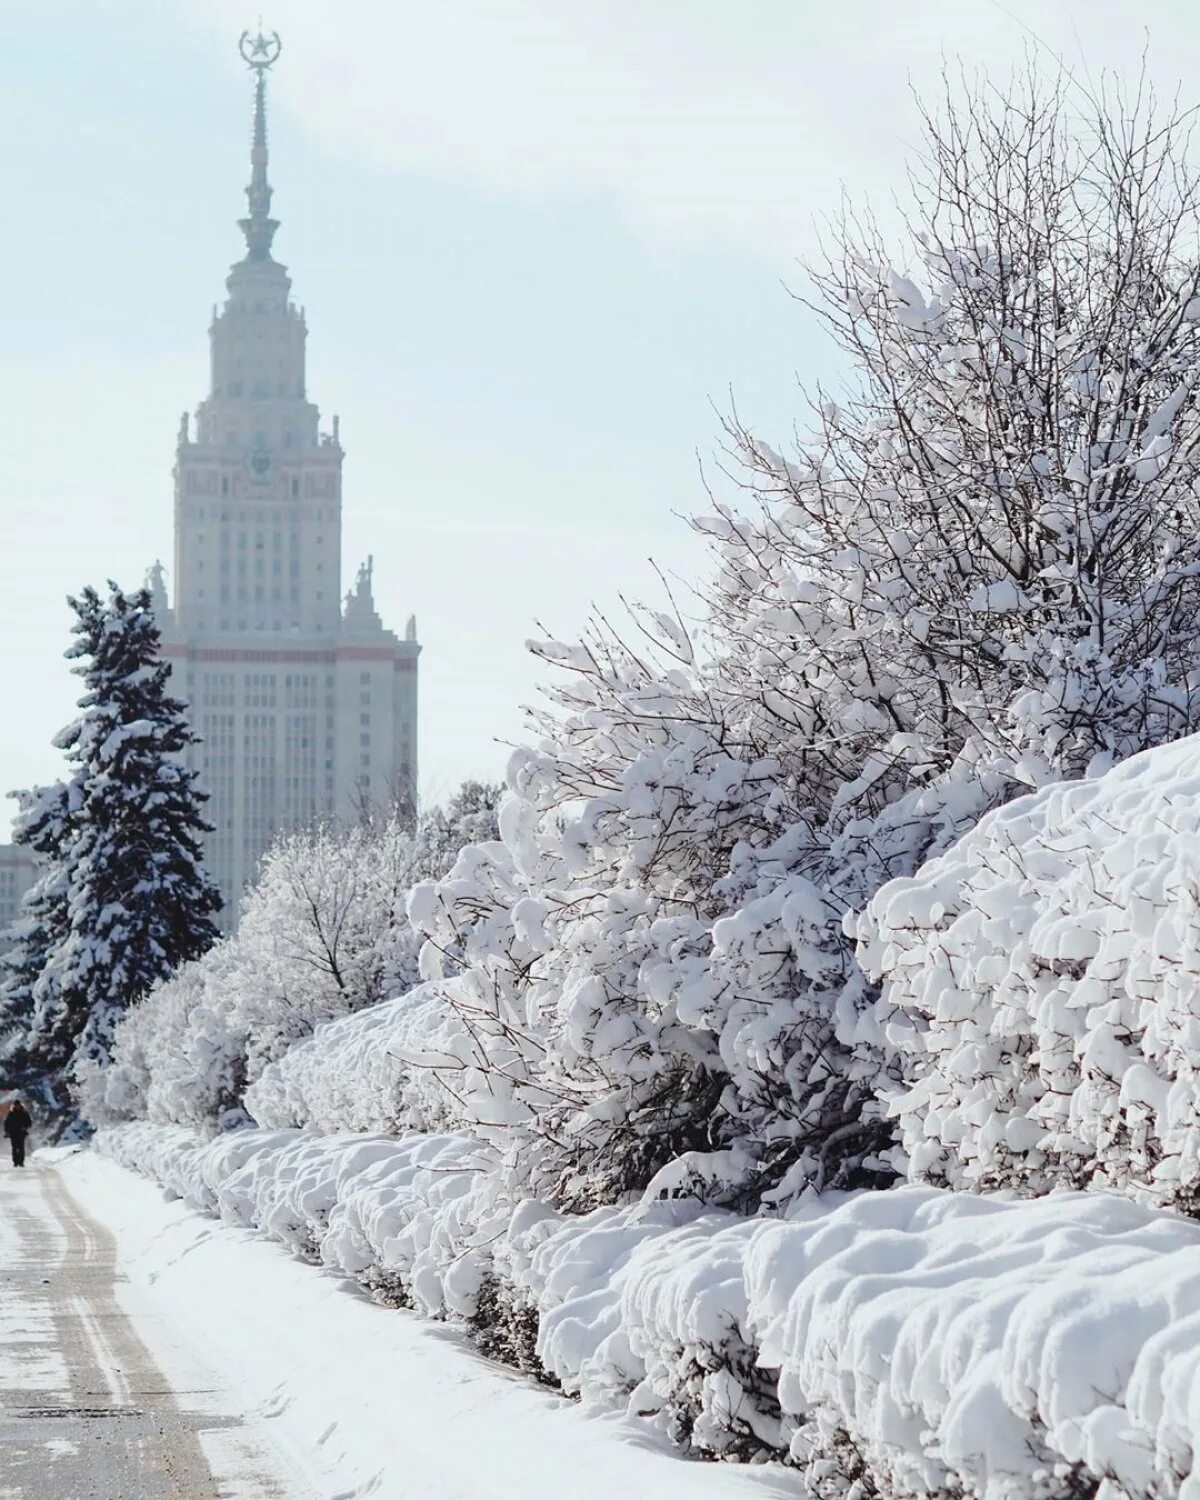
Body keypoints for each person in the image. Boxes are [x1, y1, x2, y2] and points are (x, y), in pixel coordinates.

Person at [4, 1099, 31, 1168]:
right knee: (14, 1147)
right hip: (13, 1133)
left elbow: (29, 1122)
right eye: (16, 1105)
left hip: (21, 1133)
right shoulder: (11, 1113)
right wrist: (7, 1131)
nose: (17, 1106)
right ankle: (15, 1162)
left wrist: (25, 1127)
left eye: (18, 1105)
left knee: (21, 1147)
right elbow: (6, 1123)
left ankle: (21, 1162)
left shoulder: (24, 1113)